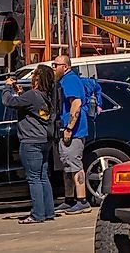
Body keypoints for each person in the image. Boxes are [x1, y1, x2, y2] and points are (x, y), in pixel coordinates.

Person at [4, 67, 56, 224]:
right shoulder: (46, 96)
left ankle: (37, 214)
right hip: (44, 140)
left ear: (38, 79)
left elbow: (8, 101)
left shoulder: (33, 95)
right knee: (42, 176)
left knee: (34, 178)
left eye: (34, 75)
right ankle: (48, 211)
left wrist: (7, 87)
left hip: (31, 141)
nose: (32, 77)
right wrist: (20, 94)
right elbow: (31, 109)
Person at [51, 55, 91, 214]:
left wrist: (69, 128)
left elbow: (76, 104)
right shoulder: (63, 81)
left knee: (75, 165)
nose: (53, 67)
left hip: (73, 133)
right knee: (67, 166)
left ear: (65, 67)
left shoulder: (70, 80)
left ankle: (82, 200)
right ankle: (69, 200)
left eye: (56, 65)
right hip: (64, 131)